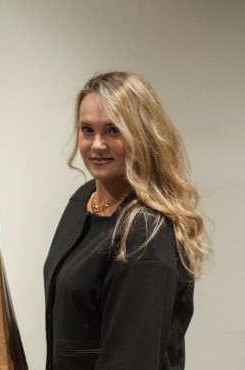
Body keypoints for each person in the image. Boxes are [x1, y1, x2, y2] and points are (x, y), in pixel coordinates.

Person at [43, 72, 210, 369]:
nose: (96, 145)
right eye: (87, 130)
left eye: (113, 131)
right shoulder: (83, 201)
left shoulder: (145, 234)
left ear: (142, 135)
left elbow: (131, 359)